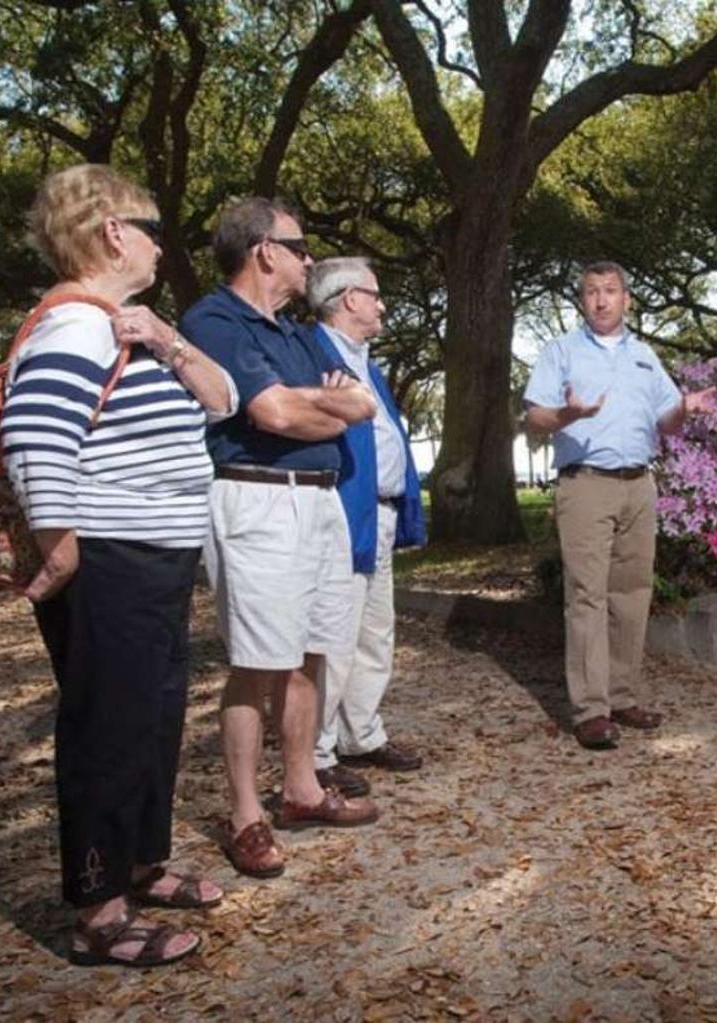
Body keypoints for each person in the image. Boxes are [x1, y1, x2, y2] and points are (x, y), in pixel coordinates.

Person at [0, 164, 237, 967]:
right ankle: (99, 909)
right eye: (153, 230)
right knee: (108, 728)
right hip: (108, 559)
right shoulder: (73, 326)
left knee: (154, 717)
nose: (162, 246)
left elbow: (223, 398)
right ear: (112, 233)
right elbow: (34, 438)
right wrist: (59, 544)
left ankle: (141, 863)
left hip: (157, 560)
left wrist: (166, 340)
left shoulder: (131, 322)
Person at [181, 198, 381, 879]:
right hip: (257, 499)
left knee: (310, 654)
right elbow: (267, 410)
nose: (310, 260)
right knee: (257, 661)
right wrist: (320, 407)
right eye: (300, 247)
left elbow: (360, 404)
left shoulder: (296, 334)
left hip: (319, 500)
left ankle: (300, 788)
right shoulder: (213, 320)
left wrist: (319, 408)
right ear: (265, 250)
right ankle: (245, 814)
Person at [523, 261, 715, 750]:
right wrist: (567, 413)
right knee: (586, 595)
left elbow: (666, 422)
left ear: (627, 299)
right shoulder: (559, 352)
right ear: (582, 301)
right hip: (586, 484)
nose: (602, 300)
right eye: (591, 292)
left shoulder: (646, 357)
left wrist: (684, 410)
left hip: (638, 485)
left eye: (610, 291)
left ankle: (623, 694)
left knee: (631, 592)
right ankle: (590, 710)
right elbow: (534, 416)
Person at [302, 257, 429, 798]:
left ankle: (362, 732)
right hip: (342, 510)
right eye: (374, 295)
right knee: (333, 634)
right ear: (350, 298)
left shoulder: (366, 362)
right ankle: (316, 751)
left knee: (375, 630)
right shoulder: (312, 352)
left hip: (379, 511)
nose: (381, 305)